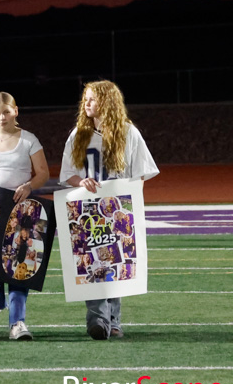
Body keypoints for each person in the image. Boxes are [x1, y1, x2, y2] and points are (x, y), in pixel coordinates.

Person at [59, 80, 159, 341]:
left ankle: (113, 320)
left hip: (117, 210)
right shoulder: (78, 134)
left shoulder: (128, 133)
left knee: (115, 262)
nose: (86, 104)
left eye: (91, 99)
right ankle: (99, 320)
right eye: (85, 99)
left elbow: (140, 175)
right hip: (88, 210)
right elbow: (68, 175)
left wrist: (127, 204)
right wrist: (81, 181)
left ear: (106, 102)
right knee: (93, 262)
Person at [0, 91, 49, 341]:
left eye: (6, 112)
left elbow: (44, 173)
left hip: (22, 213)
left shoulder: (29, 140)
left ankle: (18, 322)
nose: (2, 117)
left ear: (16, 111)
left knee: (20, 266)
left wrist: (28, 186)